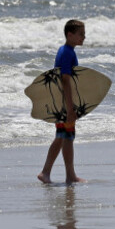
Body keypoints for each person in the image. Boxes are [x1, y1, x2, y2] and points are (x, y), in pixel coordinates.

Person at [37, 19, 86, 184]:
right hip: (64, 103)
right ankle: (53, 173)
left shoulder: (67, 50)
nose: (83, 37)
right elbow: (65, 80)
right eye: (80, 34)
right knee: (64, 137)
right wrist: (70, 108)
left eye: (84, 34)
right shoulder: (66, 53)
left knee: (64, 136)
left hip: (62, 102)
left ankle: (60, 173)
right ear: (69, 34)